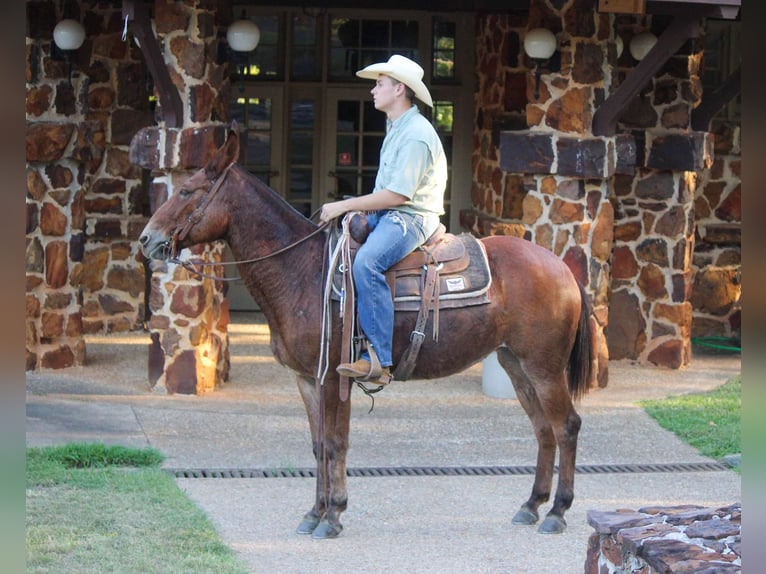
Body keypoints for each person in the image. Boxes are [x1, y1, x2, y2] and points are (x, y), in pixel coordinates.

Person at [319, 54, 448, 386]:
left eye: (379, 84)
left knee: (366, 263)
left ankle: (378, 359)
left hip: (411, 218)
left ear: (399, 89)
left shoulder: (416, 133)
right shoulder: (397, 126)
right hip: (390, 215)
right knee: (336, 253)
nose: (373, 91)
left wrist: (343, 207)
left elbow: (398, 195)